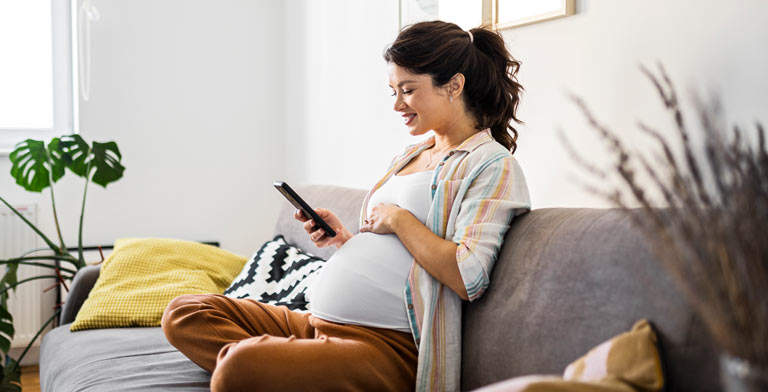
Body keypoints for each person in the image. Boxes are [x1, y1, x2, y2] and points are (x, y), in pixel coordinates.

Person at [162, 20, 530, 392]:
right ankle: (295, 372)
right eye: (393, 91)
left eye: (407, 90)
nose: (397, 105)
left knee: (237, 368)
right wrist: (345, 240)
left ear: (454, 85)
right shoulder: (410, 155)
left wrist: (399, 219)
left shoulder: (490, 164)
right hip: (313, 323)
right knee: (184, 312)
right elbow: (390, 250)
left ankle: (278, 370)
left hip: (383, 344)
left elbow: (468, 276)